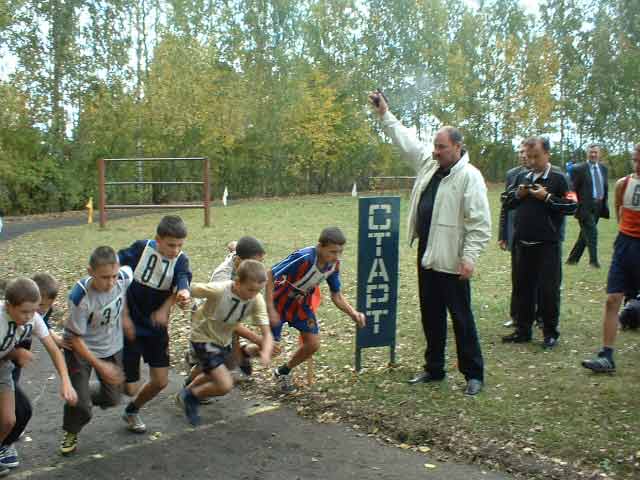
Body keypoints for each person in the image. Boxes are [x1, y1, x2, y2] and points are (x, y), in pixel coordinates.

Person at [369, 91, 491, 396]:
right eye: (435, 146)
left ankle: (473, 373)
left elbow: (479, 224)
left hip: (453, 257)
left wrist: (470, 258)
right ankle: (434, 369)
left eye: (441, 147)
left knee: (461, 317)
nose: (435, 151)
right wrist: (385, 114)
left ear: (457, 148)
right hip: (427, 251)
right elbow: (407, 141)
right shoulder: (430, 164)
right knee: (431, 314)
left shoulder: (470, 177)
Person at [268, 227, 366, 393]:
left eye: (340, 252)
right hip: (278, 303)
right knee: (271, 349)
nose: (336, 256)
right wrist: (269, 307)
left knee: (312, 344)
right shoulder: (304, 257)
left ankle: (282, 372)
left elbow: (337, 295)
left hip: (301, 305)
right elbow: (270, 274)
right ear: (320, 246)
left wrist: (353, 313)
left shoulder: (333, 265)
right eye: (332, 251)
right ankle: (241, 355)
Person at [117, 215, 192, 433]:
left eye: (180, 245)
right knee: (130, 388)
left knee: (160, 382)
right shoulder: (140, 249)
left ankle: (132, 411)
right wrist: (123, 315)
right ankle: (108, 377)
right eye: (171, 245)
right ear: (157, 240)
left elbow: (182, 280)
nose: (175, 250)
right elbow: (113, 271)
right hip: (130, 324)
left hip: (156, 328)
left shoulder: (181, 260)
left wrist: (181, 295)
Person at [177, 260, 273, 426]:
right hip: (202, 337)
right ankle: (191, 396)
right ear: (237, 283)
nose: (253, 294)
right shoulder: (220, 290)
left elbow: (267, 333)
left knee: (220, 369)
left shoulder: (256, 299)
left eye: (258, 290)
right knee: (225, 385)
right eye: (250, 289)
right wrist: (181, 296)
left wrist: (265, 352)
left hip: (223, 339)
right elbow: (188, 288)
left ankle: (187, 391)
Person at [502, 137, 577, 349]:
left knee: (548, 290)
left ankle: (550, 333)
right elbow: (507, 202)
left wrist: (547, 197)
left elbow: (572, 206)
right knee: (522, 288)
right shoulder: (522, 177)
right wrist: (519, 193)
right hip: (522, 242)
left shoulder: (559, 178)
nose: (532, 161)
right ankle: (523, 330)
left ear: (547, 154)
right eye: (528, 156)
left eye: (536, 156)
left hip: (547, 244)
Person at [59, 246, 134, 455]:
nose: (111, 283)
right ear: (90, 271)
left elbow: (140, 256)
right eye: (104, 277)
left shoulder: (124, 277)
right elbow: (75, 339)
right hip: (80, 349)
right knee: (83, 409)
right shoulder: (80, 296)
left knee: (113, 399)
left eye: (114, 276)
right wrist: (101, 366)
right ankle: (72, 428)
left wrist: (126, 317)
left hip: (112, 345)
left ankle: (78, 392)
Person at [0, 278, 77, 475]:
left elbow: (53, 349)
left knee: (9, 420)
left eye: (33, 311)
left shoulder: (33, 318)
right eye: (24, 311)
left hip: (2, 368)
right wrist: (15, 353)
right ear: (8, 306)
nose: (29, 317)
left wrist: (66, 381)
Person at [582, 144, 640, 372]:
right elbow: (619, 212)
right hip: (625, 244)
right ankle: (606, 356)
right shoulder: (622, 184)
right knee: (612, 299)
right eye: (635, 159)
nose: (637, 164)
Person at [12, 273, 63, 385]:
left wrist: (56, 339)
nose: (44, 309)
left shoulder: (46, 311)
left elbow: (43, 325)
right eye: (40, 304)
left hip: (24, 340)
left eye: (48, 305)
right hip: (11, 342)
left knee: (15, 370)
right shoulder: (17, 313)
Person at [498, 144, 529, 328]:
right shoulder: (512, 175)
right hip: (515, 233)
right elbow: (505, 205)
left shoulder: (546, 174)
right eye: (521, 152)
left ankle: (539, 316)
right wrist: (503, 234)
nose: (524, 156)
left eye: (526, 152)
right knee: (517, 276)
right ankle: (516, 315)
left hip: (537, 234)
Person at [566, 144, 610, 268]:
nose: (593, 155)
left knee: (585, 235)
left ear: (599, 153)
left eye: (595, 152)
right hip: (584, 207)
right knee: (592, 233)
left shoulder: (603, 168)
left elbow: (604, 187)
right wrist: (575, 204)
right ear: (587, 153)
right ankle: (593, 262)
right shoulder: (578, 169)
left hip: (599, 206)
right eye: (591, 152)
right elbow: (571, 188)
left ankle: (572, 259)